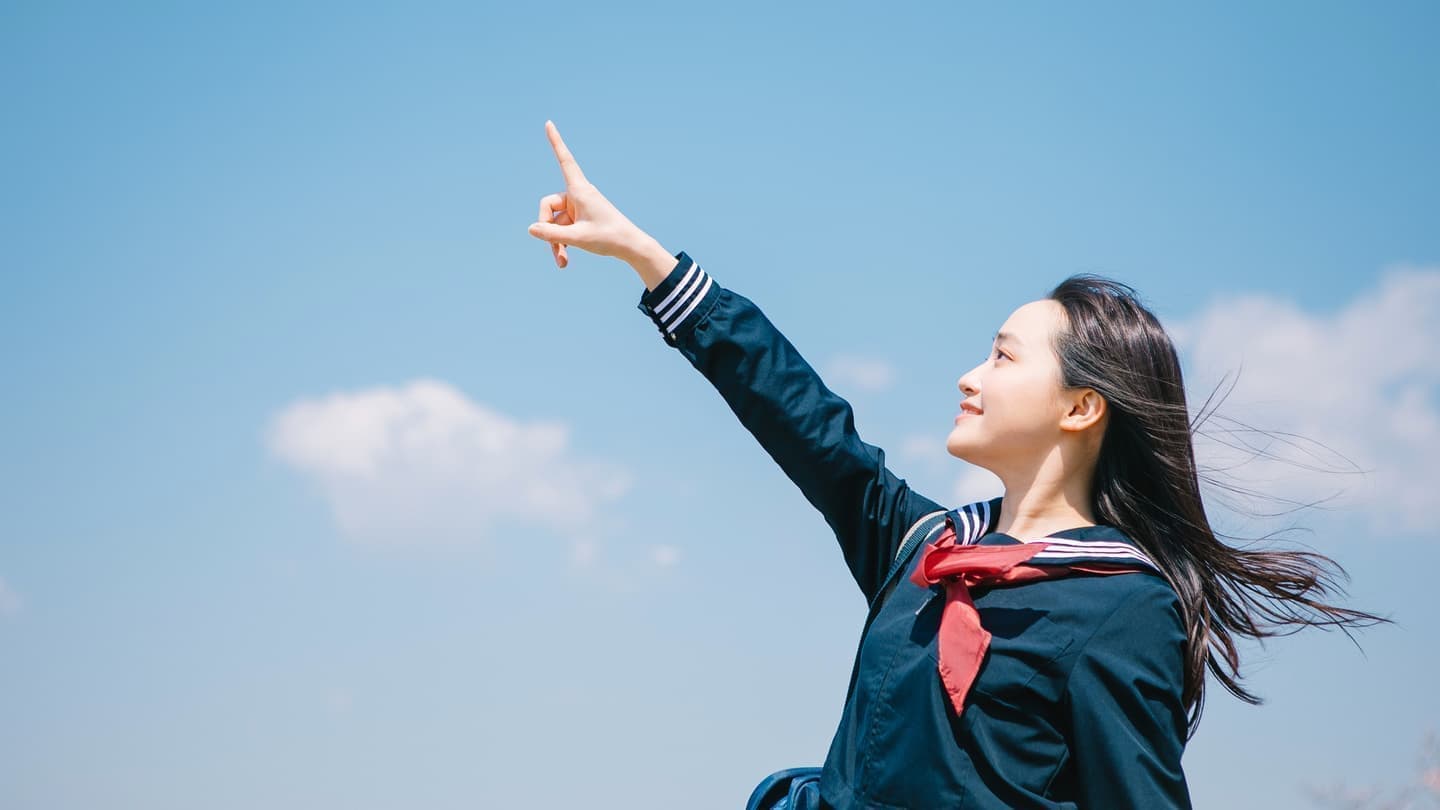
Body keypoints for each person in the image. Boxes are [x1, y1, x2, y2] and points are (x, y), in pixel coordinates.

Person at [524, 120, 1391, 809]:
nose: (970, 376)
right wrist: (645, 255)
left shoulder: (1122, 606)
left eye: (1004, 359)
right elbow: (804, 419)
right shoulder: (922, 547)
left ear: (1081, 407)